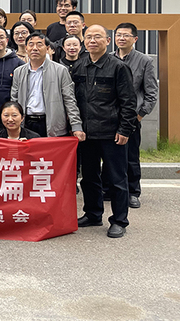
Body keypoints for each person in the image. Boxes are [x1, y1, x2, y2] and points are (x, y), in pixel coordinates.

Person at [73, 24, 138, 238]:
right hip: (87, 134)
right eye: (88, 37)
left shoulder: (118, 67)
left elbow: (128, 102)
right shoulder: (80, 66)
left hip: (112, 132)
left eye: (97, 37)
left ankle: (119, 220)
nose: (92, 40)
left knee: (117, 179)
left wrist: (125, 129)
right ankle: (93, 214)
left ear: (107, 41)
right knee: (89, 177)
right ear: (84, 41)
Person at [111, 22, 158, 209]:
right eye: (118, 35)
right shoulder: (108, 58)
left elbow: (151, 92)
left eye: (126, 35)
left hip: (131, 118)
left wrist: (139, 115)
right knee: (110, 156)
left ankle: (133, 192)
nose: (121, 38)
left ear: (135, 39)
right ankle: (110, 190)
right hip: (109, 116)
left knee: (131, 156)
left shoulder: (144, 61)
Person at [10, 32, 84, 139]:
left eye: (39, 44)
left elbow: (69, 100)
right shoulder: (18, 72)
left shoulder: (60, 70)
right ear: (26, 48)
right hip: (26, 123)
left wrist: (76, 126)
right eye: (31, 44)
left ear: (48, 48)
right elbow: (14, 99)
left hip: (52, 123)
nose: (35, 48)